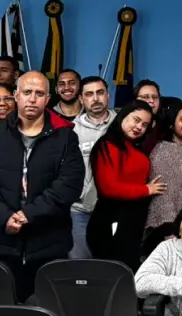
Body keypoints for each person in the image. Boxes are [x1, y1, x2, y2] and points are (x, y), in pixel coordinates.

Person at [0, 71, 83, 302]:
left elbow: (69, 185)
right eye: (27, 92)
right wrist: (4, 217)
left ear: (48, 99)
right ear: (16, 96)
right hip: (2, 244)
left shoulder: (65, 137)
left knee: (49, 315)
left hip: (49, 244)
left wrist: (28, 214)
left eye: (39, 93)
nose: (32, 99)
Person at [88, 101, 159, 269]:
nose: (139, 126)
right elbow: (109, 188)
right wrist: (146, 189)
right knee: (113, 274)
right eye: (136, 120)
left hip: (131, 222)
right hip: (112, 220)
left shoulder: (132, 147)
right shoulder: (109, 145)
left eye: (145, 124)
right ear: (122, 116)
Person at [145, 102, 182, 255]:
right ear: (172, 123)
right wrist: (170, 234)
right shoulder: (162, 151)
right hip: (168, 234)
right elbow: (162, 196)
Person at [71, 76, 114, 259]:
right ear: (81, 99)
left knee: (111, 263)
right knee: (79, 266)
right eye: (89, 94)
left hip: (114, 209)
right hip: (80, 209)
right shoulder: (70, 130)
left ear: (108, 95)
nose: (95, 99)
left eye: (100, 93)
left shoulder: (123, 124)